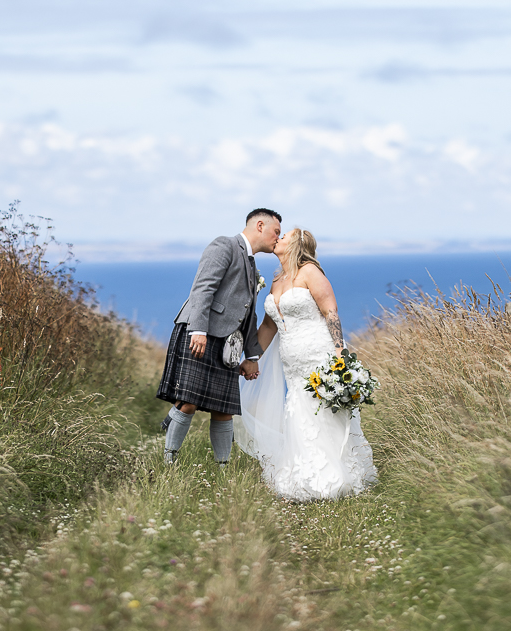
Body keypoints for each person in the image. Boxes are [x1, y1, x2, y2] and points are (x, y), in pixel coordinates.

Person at [236, 227, 377, 500]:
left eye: (284, 236)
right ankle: (305, 475)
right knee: (299, 413)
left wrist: (339, 355)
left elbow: (330, 311)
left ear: (296, 245)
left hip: (319, 353)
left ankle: (335, 477)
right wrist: (252, 357)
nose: (278, 238)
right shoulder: (277, 280)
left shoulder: (310, 272)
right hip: (292, 361)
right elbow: (268, 325)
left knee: (324, 412)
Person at [156, 208, 282, 464]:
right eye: (276, 232)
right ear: (260, 225)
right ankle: (169, 461)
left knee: (224, 409)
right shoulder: (224, 245)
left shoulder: (251, 263)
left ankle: (222, 467)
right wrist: (198, 330)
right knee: (188, 402)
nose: (278, 238)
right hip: (201, 334)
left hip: (227, 344)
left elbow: (248, 316)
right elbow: (203, 288)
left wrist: (253, 354)